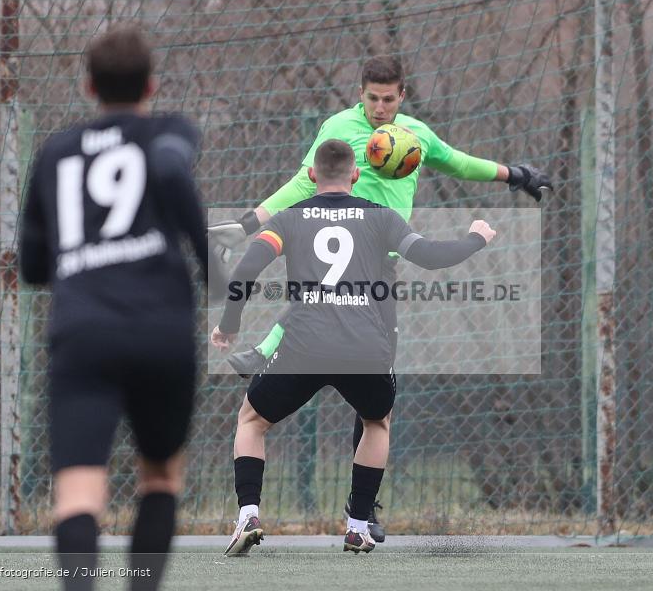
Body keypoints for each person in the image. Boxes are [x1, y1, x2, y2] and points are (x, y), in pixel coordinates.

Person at [208, 54, 551, 541]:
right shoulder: (338, 128)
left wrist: (512, 174)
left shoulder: (415, 136)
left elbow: (456, 162)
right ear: (361, 93)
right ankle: (358, 513)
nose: (380, 108)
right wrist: (246, 222)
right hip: (361, 273)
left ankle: (355, 508)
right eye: (372, 98)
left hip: (381, 270)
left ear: (402, 96)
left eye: (389, 99)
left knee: (359, 395)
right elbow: (301, 183)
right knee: (371, 395)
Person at [210, 139, 496, 555]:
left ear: (311, 176)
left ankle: (248, 515)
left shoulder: (289, 219)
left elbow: (247, 269)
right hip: (365, 347)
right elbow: (430, 256)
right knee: (377, 421)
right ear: (357, 174)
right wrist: (476, 238)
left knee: (252, 420)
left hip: (304, 346)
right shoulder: (381, 218)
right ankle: (358, 526)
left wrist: (229, 324)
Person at [19, 25, 212, 591]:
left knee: (79, 491)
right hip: (162, 328)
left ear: (88, 87)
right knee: (160, 477)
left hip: (83, 333)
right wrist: (214, 267)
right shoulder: (171, 131)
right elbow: (173, 168)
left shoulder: (54, 153)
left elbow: (33, 267)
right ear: (152, 85)